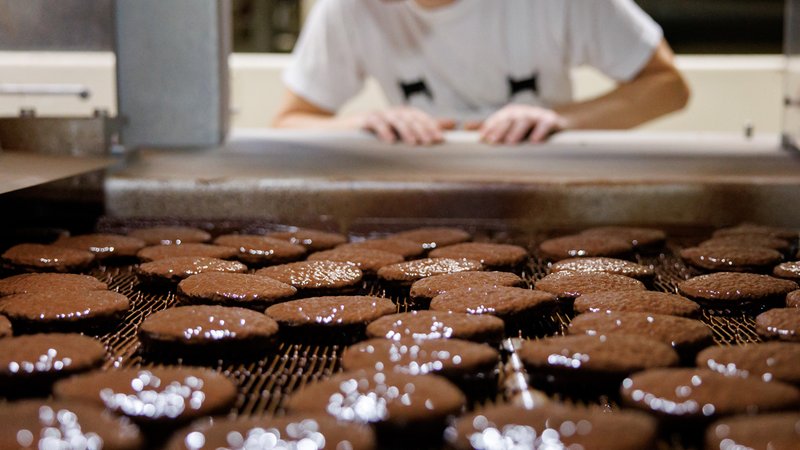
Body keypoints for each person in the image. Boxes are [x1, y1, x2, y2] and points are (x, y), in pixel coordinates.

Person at [272, 0, 690, 145]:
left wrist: (562, 118)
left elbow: (668, 87)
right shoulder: (351, 9)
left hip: (541, 191)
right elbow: (288, 123)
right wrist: (364, 124)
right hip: (424, 203)